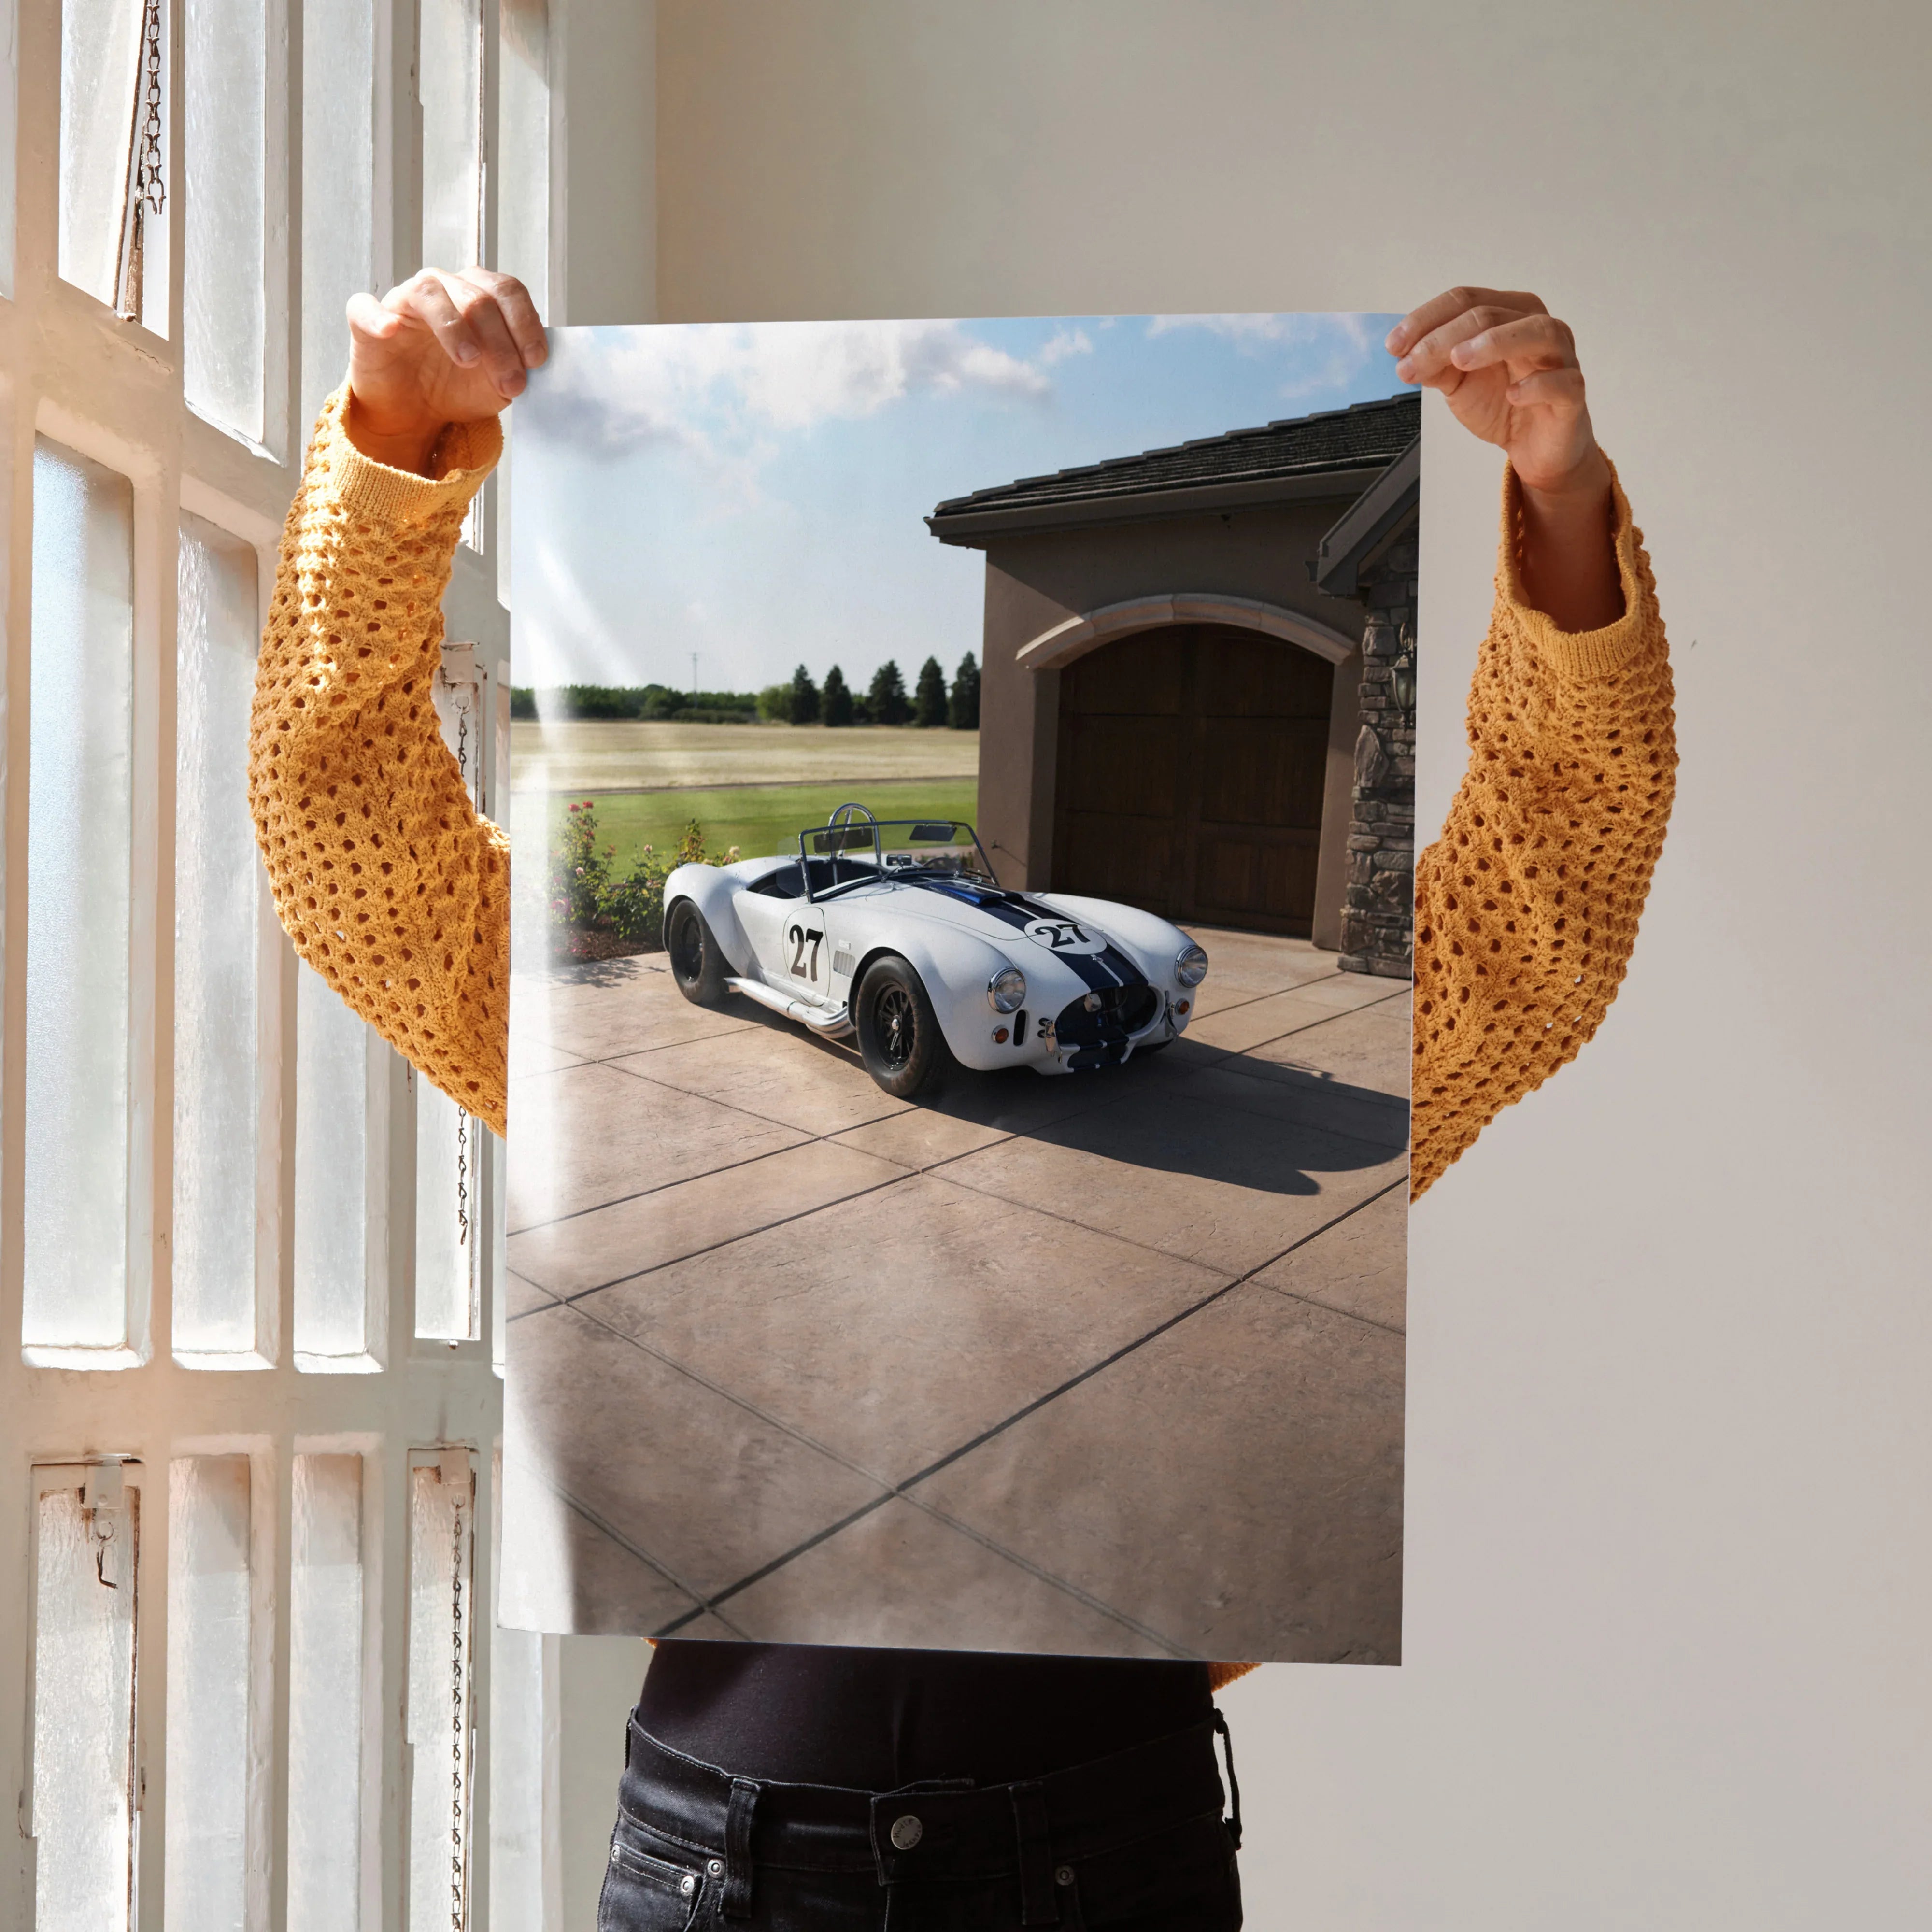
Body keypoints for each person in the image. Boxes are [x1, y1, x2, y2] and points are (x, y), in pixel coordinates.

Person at [249, 275, 1675, 1929]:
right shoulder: (611, 1069)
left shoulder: (1202, 1070)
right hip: (733, 1859)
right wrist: (392, 447)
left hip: (1104, 1843)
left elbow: (1544, 915)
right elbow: (348, 846)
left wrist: (1560, 499)